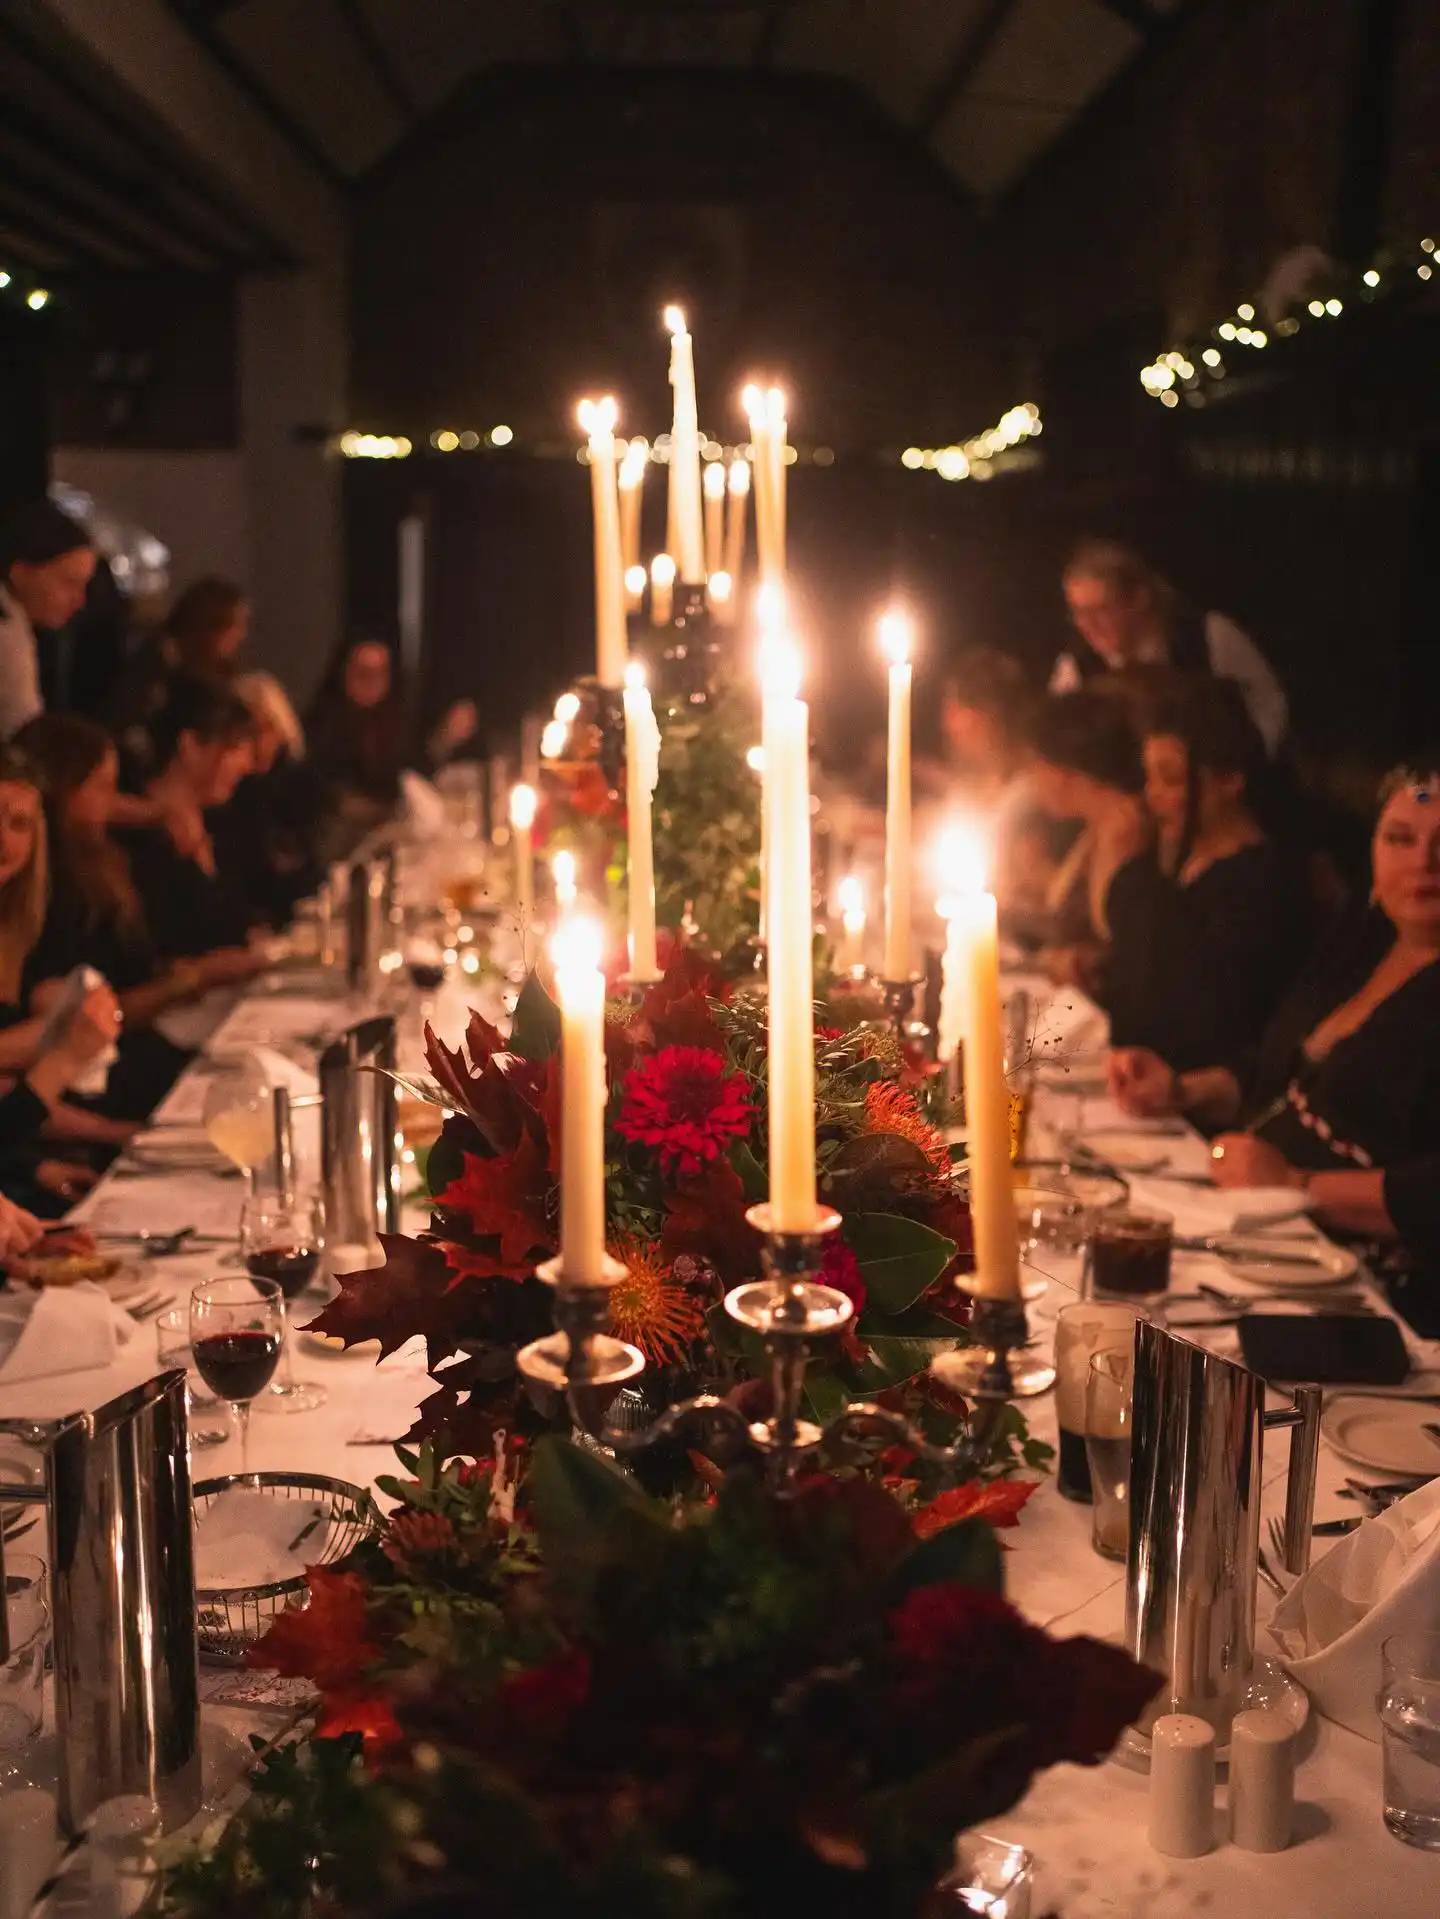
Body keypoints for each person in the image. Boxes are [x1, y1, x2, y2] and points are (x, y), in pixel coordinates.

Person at [1110, 760, 1440, 1248]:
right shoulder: (1363, 941)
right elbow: (1282, 1075)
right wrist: (1181, 1089)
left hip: (1377, 1274)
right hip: (1262, 1232)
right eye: (1400, 838)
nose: (1423, 861)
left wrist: (1297, 1186)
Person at [1100, 679, 1308, 1075]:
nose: (1152, 795)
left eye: (1171, 778)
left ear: (1230, 779)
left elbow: (1197, 1012)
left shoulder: (1261, 883)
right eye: (1149, 777)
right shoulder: (1172, 858)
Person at [1052, 538, 1288, 755]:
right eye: (1079, 614)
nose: (1088, 625)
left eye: (1101, 610)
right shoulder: (1076, 666)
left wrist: (1242, 770)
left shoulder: (1208, 636)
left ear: (1139, 598)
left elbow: (1268, 706)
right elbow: (1055, 745)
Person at [118, 675, 265, 966]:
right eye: (237, 748)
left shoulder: (214, 823)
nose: (248, 765)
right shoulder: (142, 837)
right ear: (190, 746)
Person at [1017, 690, 1150, 986]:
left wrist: (1080, 960)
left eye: (1033, 763)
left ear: (1061, 770)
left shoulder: (1127, 830)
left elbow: (1131, 945)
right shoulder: (1096, 828)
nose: (1030, 777)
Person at [308, 637, 478, 850]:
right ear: (343, 673)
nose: (372, 682)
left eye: (379, 674)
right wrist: (390, 814)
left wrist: (445, 738)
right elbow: (334, 799)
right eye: (363, 673)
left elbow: (413, 769)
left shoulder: (392, 716)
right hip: (341, 846)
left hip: (390, 841)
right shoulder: (324, 722)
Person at [110, 576, 248, 780]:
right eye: (235, 626)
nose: (241, 636)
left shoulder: (200, 674)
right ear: (210, 624)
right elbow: (120, 719)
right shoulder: (150, 663)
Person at [215, 672, 323, 925]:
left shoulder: (298, 785)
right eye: (248, 733)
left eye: (266, 730)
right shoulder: (225, 798)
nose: (258, 743)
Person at [0, 502, 97, 738]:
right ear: (20, 572)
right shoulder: (7, 637)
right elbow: (27, 739)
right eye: (68, 583)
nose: (79, 601)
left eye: (84, 586)